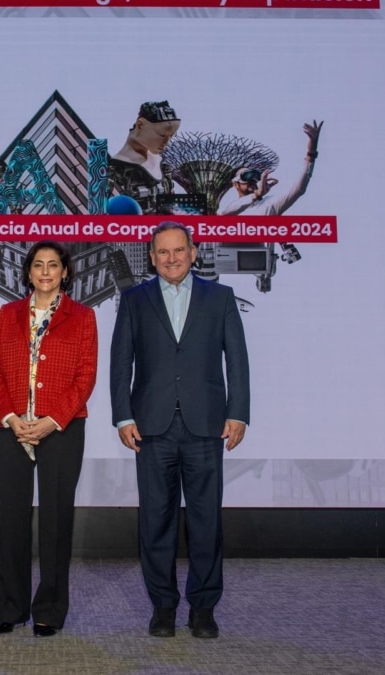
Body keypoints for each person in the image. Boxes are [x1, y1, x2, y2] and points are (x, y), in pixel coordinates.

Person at [109, 222, 249, 640]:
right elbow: (121, 364)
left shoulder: (219, 297)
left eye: (179, 250)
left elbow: (236, 361)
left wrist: (238, 413)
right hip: (151, 429)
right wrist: (123, 416)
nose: (171, 258)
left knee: (206, 521)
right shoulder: (134, 299)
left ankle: (203, 608)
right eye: (162, 252)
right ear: (151, 257)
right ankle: (164, 607)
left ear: (193, 252)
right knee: (155, 521)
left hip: (206, 426)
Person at [0, 241, 97, 638]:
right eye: (37, 265)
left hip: (61, 430)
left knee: (55, 521)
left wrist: (51, 420)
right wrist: (11, 418)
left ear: (65, 271)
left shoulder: (83, 317)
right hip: (11, 428)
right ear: (28, 272)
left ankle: (48, 609)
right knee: (10, 520)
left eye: (53, 265)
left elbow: (85, 377)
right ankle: (10, 608)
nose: (45, 271)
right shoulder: (7, 314)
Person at [217, 120, 324, 217]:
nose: (252, 180)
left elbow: (298, 190)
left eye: (255, 176)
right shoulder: (228, 210)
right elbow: (223, 214)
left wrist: (311, 155)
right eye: (246, 175)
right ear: (235, 184)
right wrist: (257, 195)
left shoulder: (270, 204)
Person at [108, 101, 182, 214]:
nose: (167, 142)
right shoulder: (115, 168)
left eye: (170, 136)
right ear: (140, 125)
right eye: (162, 135)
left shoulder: (163, 165)